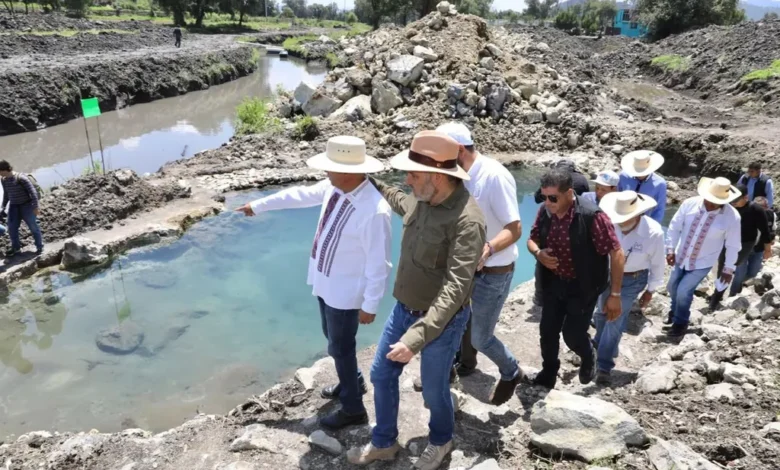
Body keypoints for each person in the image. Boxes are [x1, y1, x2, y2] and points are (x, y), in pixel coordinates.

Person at [347, 131, 485, 470]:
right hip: (403, 309)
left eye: (413, 174)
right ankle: (384, 442)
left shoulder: (468, 221)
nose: (407, 180)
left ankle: (441, 440)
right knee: (381, 374)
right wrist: (367, 178)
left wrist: (416, 338)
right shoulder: (422, 199)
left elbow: (456, 288)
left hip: (443, 321)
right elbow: (398, 199)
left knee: (433, 389)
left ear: (437, 177)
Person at [236, 136, 392, 430]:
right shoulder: (335, 188)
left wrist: (371, 304)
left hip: (345, 293)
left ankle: (353, 409)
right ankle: (353, 381)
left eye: (330, 167)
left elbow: (378, 263)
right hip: (325, 283)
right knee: (333, 341)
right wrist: (258, 205)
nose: (325, 172)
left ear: (347, 171)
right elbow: (299, 195)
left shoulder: (374, 210)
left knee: (341, 347)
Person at [436, 122, 523, 405]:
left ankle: (512, 371)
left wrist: (488, 248)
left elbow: (515, 228)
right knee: (452, 320)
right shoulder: (456, 174)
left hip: (493, 271)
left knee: (481, 338)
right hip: (464, 267)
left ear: (459, 150)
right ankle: (456, 366)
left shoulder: (493, 176)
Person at [526, 170, 624, 389]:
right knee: (547, 331)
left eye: (553, 198)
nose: (547, 202)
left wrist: (615, 295)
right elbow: (532, 240)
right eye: (544, 197)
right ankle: (548, 373)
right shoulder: (545, 211)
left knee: (572, 335)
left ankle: (589, 354)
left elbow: (616, 253)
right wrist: (538, 253)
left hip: (584, 286)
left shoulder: (592, 216)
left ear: (569, 193)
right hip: (554, 282)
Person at [594, 191, 664, 385]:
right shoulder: (607, 223)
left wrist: (650, 290)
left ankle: (603, 366)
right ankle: (602, 345)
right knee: (600, 313)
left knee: (614, 317)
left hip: (633, 278)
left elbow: (658, 263)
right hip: (607, 274)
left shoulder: (653, 232)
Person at [665, 177, 741, 337]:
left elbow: (733, 245)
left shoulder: (732, 217)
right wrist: (670, 248)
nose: (711, 204)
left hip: (703, 261)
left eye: (716, 202)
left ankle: (680, 323)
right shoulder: (690, 204)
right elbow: (674, 226)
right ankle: (674, 311)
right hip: (681, 255)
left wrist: (728, 268)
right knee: (672, 286)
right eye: (709, 199)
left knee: (684, 291)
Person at [532, 159, 589, 307]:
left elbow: (537, 198)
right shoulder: (582, 180)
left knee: (543, 263)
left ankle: (540, 298)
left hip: (555, 222)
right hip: (579, 226)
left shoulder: (553, 184)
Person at [709, 184, 772, 305]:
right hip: (727, 240)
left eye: (736, 200)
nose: (733, 202)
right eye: (731, 199)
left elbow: (765, 231)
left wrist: (767, 250)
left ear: (746, 197)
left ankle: (732, 292)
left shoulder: (756, 210)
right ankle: (717, 295)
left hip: (746, 243)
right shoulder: (726, 207)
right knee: (722, 266)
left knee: (733, 266)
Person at [0, 160, 43, 257]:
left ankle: (39, 246)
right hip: (13, 206)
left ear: (3, 170)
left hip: (26, 206)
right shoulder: (3, 180)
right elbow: (6, 194)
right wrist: (3, 207)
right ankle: (16, 248)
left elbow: (33, 193)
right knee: (11, 228)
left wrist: (35, 207)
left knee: (33, 227)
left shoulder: (21, 178)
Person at [618, 150, 667, 224]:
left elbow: (659, 210)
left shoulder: (660, 183)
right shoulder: (623, 176)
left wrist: (653, 227)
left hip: (644, 223)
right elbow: (616, 196)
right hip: (622, 221)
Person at [745, 196, 775, 281]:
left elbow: (773, 230)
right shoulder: (745, 214)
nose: (762, 211)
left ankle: (745, 286)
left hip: (759, 248)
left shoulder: (771, 215)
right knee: (740, 273)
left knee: (753, 273)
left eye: (765, 207)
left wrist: (769, 246)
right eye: (760, 208)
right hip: (745, 247)